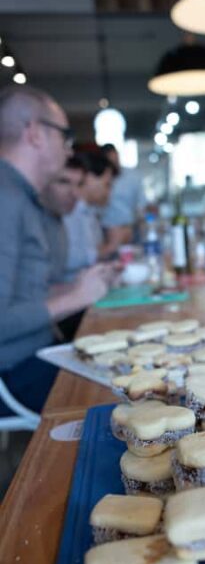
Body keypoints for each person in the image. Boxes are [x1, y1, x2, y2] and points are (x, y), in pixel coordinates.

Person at [0, 85, 114, 414]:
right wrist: (75, 297)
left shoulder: (21, 196)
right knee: (140, 395)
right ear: (34, 133)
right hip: (14, 374)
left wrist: (77, 287)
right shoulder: (6, 197)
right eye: (63, 136)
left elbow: (22, 294)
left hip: (37, 355)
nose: (68, 150)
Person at [63, 149, 116, 280]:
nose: (109, 192)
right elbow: (65, 258)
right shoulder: (70, 211)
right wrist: (112, 245)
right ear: (89, 178)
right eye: (107, 185)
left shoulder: (90, 213)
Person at [40, 155, 86, 285]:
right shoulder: (30, 221)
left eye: (79, 184)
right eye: (64, 182)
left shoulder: (59, 220)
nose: (75, 193)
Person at [101, 142, 146, 248]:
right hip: (107, 231)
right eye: (111, 161)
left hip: (132, 228)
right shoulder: (100, 179)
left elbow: (142, 203)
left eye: (116, 159)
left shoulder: (133, 176)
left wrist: (142, 222)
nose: (115, 164)